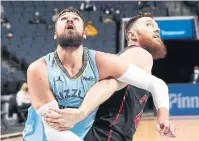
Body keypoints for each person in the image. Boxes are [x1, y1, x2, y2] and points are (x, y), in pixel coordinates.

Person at [23, 8, 170, 141]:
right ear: (132, 35)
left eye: (157, 27)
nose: (156, 30)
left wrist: (163, 115)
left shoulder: (102, 61)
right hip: (99, 133)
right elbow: (109, 84)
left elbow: (157, 84)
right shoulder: (138, 53)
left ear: (84, 32)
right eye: (149, 25)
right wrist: (82, 112)